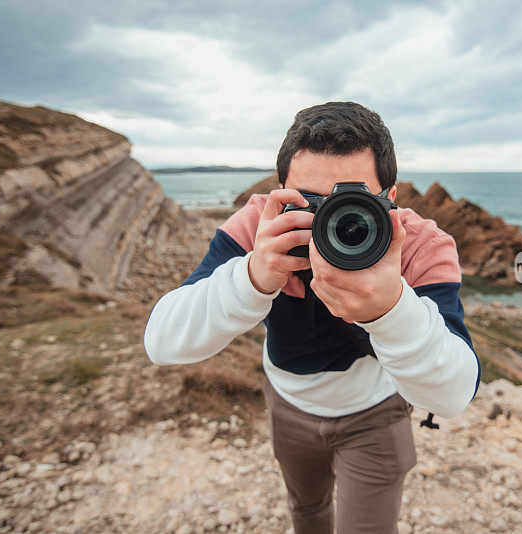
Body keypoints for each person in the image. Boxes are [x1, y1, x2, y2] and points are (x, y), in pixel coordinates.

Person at [143, 101, 481, 533]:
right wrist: (253, 275)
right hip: (288, 403)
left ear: (390, 199)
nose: (328, 221)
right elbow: (161, 342)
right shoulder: (259, 227)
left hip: (374, 412)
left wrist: (390, 308)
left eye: (352, 202)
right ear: (278, 190)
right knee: (307, 514)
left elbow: (454, 394)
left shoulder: (418, 245)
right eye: (307, 203)